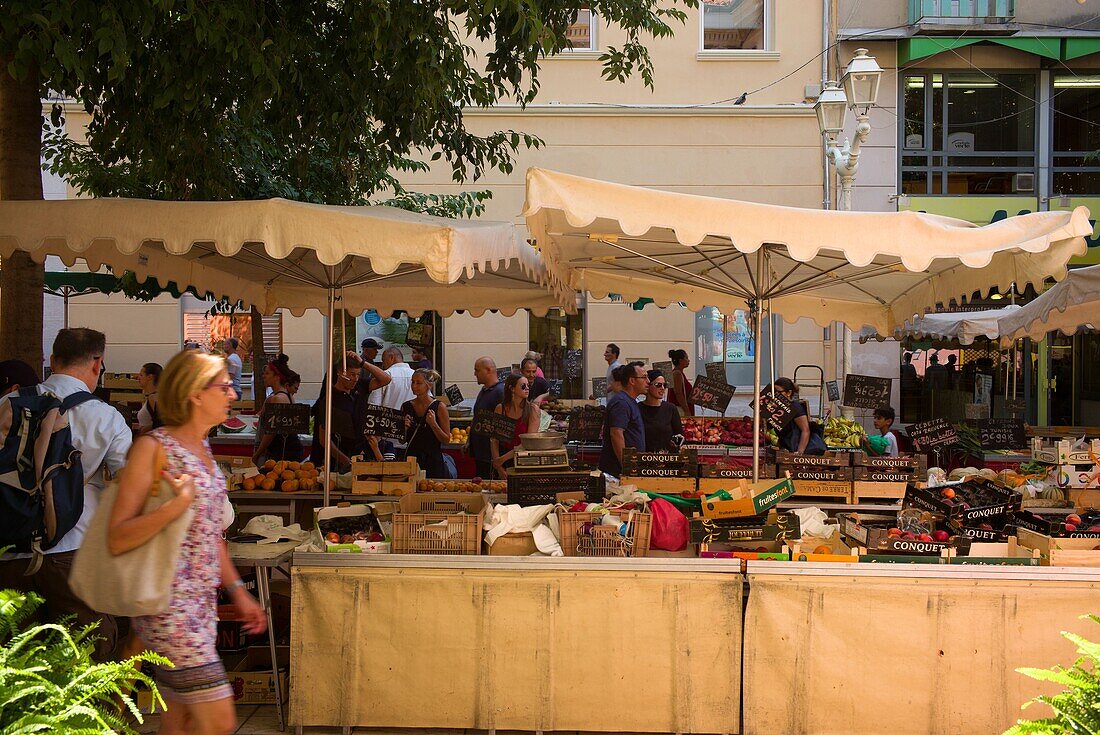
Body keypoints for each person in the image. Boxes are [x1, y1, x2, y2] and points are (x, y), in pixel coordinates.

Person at [108, 349, 266, 732]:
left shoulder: (203, 449)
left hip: (197, 610)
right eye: (225, 386)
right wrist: (175, 506)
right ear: (196, 393)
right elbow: (117, 536)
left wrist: (238, 592)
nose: (232, 393)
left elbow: (209, 535)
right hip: (171, 612)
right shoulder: (153, 448)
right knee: (219, 720)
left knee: (178, 722)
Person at [0, 328, 132, 662]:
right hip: (74, 551)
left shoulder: (8, 404)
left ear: (53, 360)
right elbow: (128, 486)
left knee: (17, 661)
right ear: (97, 362)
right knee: (88, 651)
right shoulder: (106, 417)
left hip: (8, 550)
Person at [310, 353, 364, 472]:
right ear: (340, 374)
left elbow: (385, 379)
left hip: (354, 455)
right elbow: (324, 439)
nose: (355, 379)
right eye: (352, 375)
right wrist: (346, 461)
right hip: (335, 463)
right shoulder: (328, 401)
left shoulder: (356, 396)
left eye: (358, 375)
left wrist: (363, 362)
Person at [252, 354, 304, 466]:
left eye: (267, 373)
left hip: (280, 453)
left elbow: (271, 432)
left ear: (277, 377)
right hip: (290, 450)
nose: (263, 376)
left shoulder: (277, 399)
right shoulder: (289, 396)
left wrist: (257, 454)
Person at [598, 362, 648, 477]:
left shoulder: (630, 401)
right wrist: (626, 466)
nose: (648, 381)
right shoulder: (622, 403)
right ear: (632, 381)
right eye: (644, 377)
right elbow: (616, 434)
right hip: (617, 473)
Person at [491, 373, 544, 479]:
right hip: (502, 458)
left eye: (528, 385)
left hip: (524, 459)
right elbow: (494, 439)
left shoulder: (532, 410)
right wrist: (499, 466)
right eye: (523, 386)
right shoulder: (500, 409)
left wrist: (501, 460)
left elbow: (528, 443)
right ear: (512, 388)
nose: (527, 389)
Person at [401, 369, 450, 478]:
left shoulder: (439, 407)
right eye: (412, 382)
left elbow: (446, 440)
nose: (414, 386)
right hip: (412, 459)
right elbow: (402, 440)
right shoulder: (406, 406)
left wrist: (433, 424)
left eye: (418, 383)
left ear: (429, 385)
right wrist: (403, 428)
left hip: (433, 460)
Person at [468, 357, 506, 479]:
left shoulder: (500, 392)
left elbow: (503, 426)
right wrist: (470, 441)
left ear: (488, 370)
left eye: (477, 370)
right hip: (481, 454)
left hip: (491, 456)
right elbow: (477, 417)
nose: (475, 374)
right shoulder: (484, 391)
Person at [773, 377, 825, 455]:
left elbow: (805, 430)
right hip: (787, 447)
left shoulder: (795, 407)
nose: (775, 395)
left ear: (788, 393)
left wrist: (800, 452)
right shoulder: (775, 408)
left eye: (779, 392)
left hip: (799, 448)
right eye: (774, 392)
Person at [639, 369, 683, 453]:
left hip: (668, 460)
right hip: (645, 459)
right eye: (658, 385)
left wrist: (676, 442)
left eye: (664, 385)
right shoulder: (638, 409)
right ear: (648, 385)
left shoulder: (670, 408)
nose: (662, 388)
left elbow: (680, 435)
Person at [136, 362, 163, 433]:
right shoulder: (152, 397)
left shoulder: (154, 398)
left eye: (141, 375)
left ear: (150, 377)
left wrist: (144, 429)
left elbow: (160, 424)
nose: (138, 378)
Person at [667, 349, 694, 417]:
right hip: (680, 409)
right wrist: (686, 410)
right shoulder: (677, 374)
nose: (688, 360)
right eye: (686, 358)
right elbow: (678, 393)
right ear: (681, 360)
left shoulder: (679, 373)